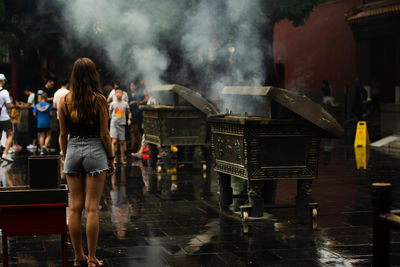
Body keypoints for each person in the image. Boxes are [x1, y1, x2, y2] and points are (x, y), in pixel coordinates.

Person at [58, 57, 114, 267]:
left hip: (72, 150)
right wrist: (111, 158)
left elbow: (63, 135)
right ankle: (91, 258)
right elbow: (105, 134)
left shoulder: (64, 100)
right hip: (95, 151)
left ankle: (77, 256)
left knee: (74, 208)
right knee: (92, 208)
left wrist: (66, 156)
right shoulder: (99, 99)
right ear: (93, 75)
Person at [109, 88, 131, 164]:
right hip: (114, 124)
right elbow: (109, 113)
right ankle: (113, 159)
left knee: (122, 142)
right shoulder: (112, 104)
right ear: (115, 94)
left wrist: (129, 119)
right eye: (117, 92)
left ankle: (122, 158)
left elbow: (129, 112)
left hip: (122, 124)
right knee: (114, 141)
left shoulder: (125, 104)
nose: (118, 94)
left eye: (120, 92)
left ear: (122, 94)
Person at [0, 74, 14, 162]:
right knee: (10, 134)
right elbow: (8, 105)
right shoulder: (4, 92)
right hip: (4, 117)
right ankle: (5, 154)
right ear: (2, 81)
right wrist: (12, 105)